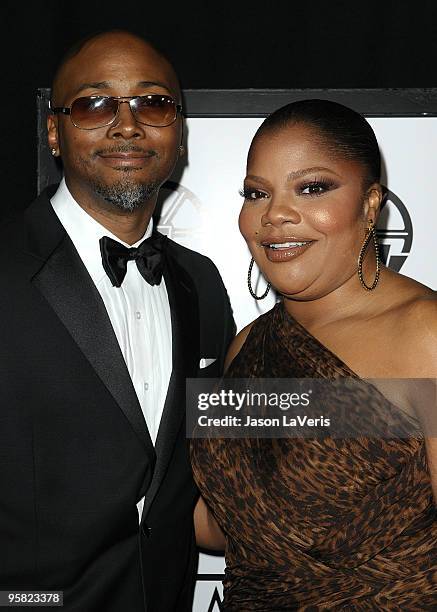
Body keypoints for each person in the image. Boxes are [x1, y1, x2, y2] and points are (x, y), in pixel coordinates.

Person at [0, 30, 234, 611]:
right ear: (54, 131)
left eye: (153, 103)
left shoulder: (201, 282)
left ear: (179, 133)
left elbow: (222, 454)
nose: (127, 125)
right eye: (95, 103)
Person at [191, 99, 437, 610]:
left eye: (312, 187)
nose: (275, 214)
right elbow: (218, 527)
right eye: (257, 193)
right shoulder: (246, 346)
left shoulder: (425, 334)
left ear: (371, 205)